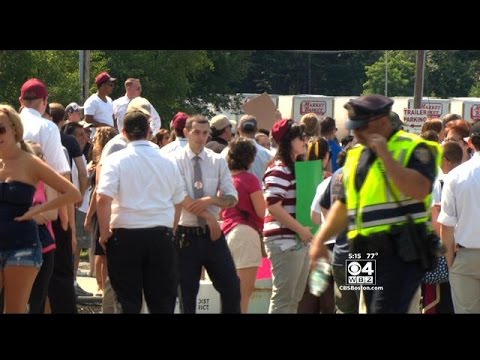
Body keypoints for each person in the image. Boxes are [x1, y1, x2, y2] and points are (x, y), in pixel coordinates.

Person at [309, 95, 441, 313]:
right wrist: (320, 240)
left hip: (401, 250)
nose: (356, 133)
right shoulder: (355, 156)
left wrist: (386, 157)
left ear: (382, 122)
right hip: (363, 251)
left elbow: (420, 188)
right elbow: (344, 204)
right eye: (354, 128)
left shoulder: (416, 147)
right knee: (367, 309)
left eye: (362, 127)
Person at [96, 110, 186, 313]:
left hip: (125, 235)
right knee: (162, 301)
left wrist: (104, 232)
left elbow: (103, 198)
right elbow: (179, 200)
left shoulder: (116, 160)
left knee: (127, 301)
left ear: (124, 132)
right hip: (160, 235)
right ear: (149, 131)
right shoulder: (168, 160)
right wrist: (171, 229)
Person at [0, 104, 81, 313]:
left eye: (1, 129)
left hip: (22, 247)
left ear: (15, 129)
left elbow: (72, 193)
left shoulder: (30, 162)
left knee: (15, 309)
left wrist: (38, 210)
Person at [172, 114, 241, 313]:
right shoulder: (174, 160)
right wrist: (210, 216)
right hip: (186, 233)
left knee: (231, 287)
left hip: (212, 236)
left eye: (205, 133)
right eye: (196, 132)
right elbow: (182, 197)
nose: (201, 137)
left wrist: (211, 200)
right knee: (187, 294)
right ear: (186, 132)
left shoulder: (217, 161)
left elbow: (232, 197)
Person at [263, 119, 313, 313]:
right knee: (285, 299)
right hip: (284, 240)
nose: (305, 140)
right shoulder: (279, 169)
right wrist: (301, 230)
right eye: (301, 136)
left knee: (293, 298)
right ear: (287, 141)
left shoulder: (292, 168)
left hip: (296, 239)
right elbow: (273, 207)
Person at [438, 122, 480, 313]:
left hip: (465, 256)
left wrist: (450, 262)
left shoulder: (455, 176)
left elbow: (446, 226)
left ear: (469, 143)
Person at [221, 138, 266, 313]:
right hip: (246, 234)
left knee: (231, 295)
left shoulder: (226, 180)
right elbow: (261, 211)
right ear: (250, 158)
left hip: (226, 233)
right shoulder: (250, 179)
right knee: (244, 295)